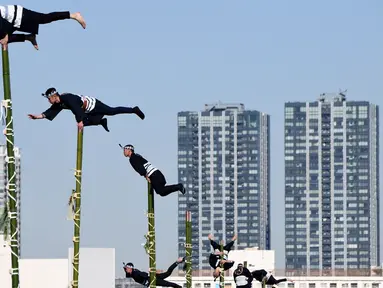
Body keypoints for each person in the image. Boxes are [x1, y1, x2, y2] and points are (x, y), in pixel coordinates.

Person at [28, 87, 145, 132]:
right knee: (86, 122)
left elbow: (76, 109)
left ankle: (133, 110)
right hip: (87, 111)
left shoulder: (67, 98)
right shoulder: (59, 103)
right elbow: (50, 111)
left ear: (53, 97)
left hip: (94, 105)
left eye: (49, 99)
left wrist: (79, 121)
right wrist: (37, 117)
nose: (48, 101)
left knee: (112, 111)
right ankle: (101, 121)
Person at [0, 5, 85, 49]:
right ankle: (29, 37)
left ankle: (73, 15)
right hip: (13, 20)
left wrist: (6, 35)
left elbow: (2, 22)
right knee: (2, 38)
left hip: (18, 14)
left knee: (45, 18)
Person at [120, 144, 186, 196]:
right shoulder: (136, 156)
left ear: (129, 150)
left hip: (154, 175)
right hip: (157, 174)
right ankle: (178, 187)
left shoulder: (132, 158)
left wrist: (146, 176)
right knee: (162, 193)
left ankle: (179, 186)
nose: (124, 151)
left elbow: (140, 168)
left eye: (125, 149)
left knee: (160, 191)